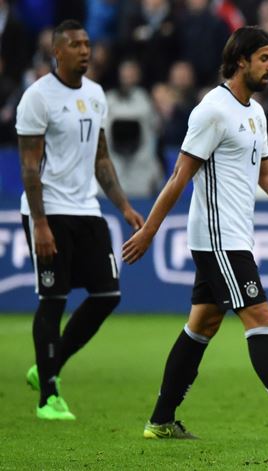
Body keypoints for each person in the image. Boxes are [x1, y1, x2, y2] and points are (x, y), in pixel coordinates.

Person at [121, 26, 268, 441]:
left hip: (234, 236)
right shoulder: (212, 110)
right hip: (217, 238)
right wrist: (150, 231)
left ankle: (161, 420)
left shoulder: (254, 112)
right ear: (240, 60)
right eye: (264, 58)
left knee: (201, 325)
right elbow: (178, 176)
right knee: (260, 317)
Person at [16, 20, 145, 420]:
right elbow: (29, 166)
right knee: (53, 300)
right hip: (50, 209)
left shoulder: (96, 94)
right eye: (75, 45)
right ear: (58, 52)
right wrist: (39, 223)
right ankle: (48, 397)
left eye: (88, 44)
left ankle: (47, 367)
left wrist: (122, 205)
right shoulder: (38, 98)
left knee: (107, 295)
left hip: (86, 208)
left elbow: (101, 156)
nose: (85, 50)